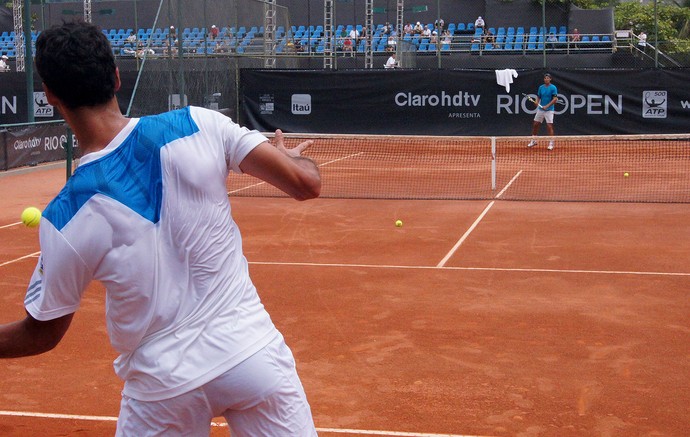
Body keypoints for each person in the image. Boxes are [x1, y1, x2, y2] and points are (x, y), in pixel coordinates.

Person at [0, 21, 321, 436]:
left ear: (51, 97)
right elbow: (307, 184)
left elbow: (40, 334)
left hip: (162, 388)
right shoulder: (198, 123)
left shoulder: (64, 216)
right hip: (252, 356)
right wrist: (291, 158)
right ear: (116, 77)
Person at [527, 73, 559, 150]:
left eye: (548, 78)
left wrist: (547, 106)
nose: (546, 79)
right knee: (535, 124)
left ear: (550, 79)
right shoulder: (541, 87)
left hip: (549, 110)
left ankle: (551, 143)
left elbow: (555, 99)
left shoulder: (553, 88)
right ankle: (534, 140)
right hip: (541, 110)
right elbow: (538, 96)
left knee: (549, 126)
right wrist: (536, 102)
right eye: (545, 78)